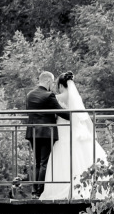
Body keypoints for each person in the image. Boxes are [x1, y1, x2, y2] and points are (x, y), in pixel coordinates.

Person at [40, 71, 108, 201]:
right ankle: (88, 186)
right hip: (77, 130)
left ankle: (65, 188)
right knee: (82, 157)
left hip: (63, 130)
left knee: (63, 157)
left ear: (60, 85)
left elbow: (55, 114)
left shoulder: (58, 98)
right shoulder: (75, 97)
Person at [24, 71, 69, 196]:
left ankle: (34, 191)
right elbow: (61, 112)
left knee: (37, 162)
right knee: (44, 162)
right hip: (46, 133)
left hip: (32, 131)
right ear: (48, 81)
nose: (53, 85)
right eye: (52, 82)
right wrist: (74, 116)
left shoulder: (29, 95)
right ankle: (40, 191)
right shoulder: (49, 96)